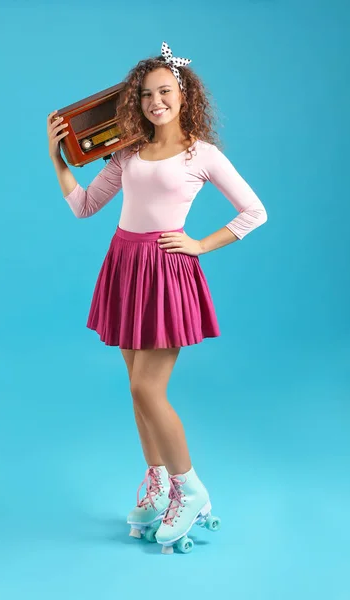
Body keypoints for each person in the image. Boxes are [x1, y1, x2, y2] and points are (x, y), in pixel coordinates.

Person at [47, 41, 267, 554]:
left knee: (150, 390)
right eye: (146, 95)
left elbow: (253, 212)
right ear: (136, 101)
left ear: (184, 95)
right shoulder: (127, 152)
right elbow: (84, 207)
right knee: (134, 388)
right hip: (124, 266)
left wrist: (200, 245)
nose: (155, 102)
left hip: (166, 272)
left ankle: (189, 489)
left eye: (165, 92)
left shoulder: (202, 154)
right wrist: (58, 161)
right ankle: (158, 482)